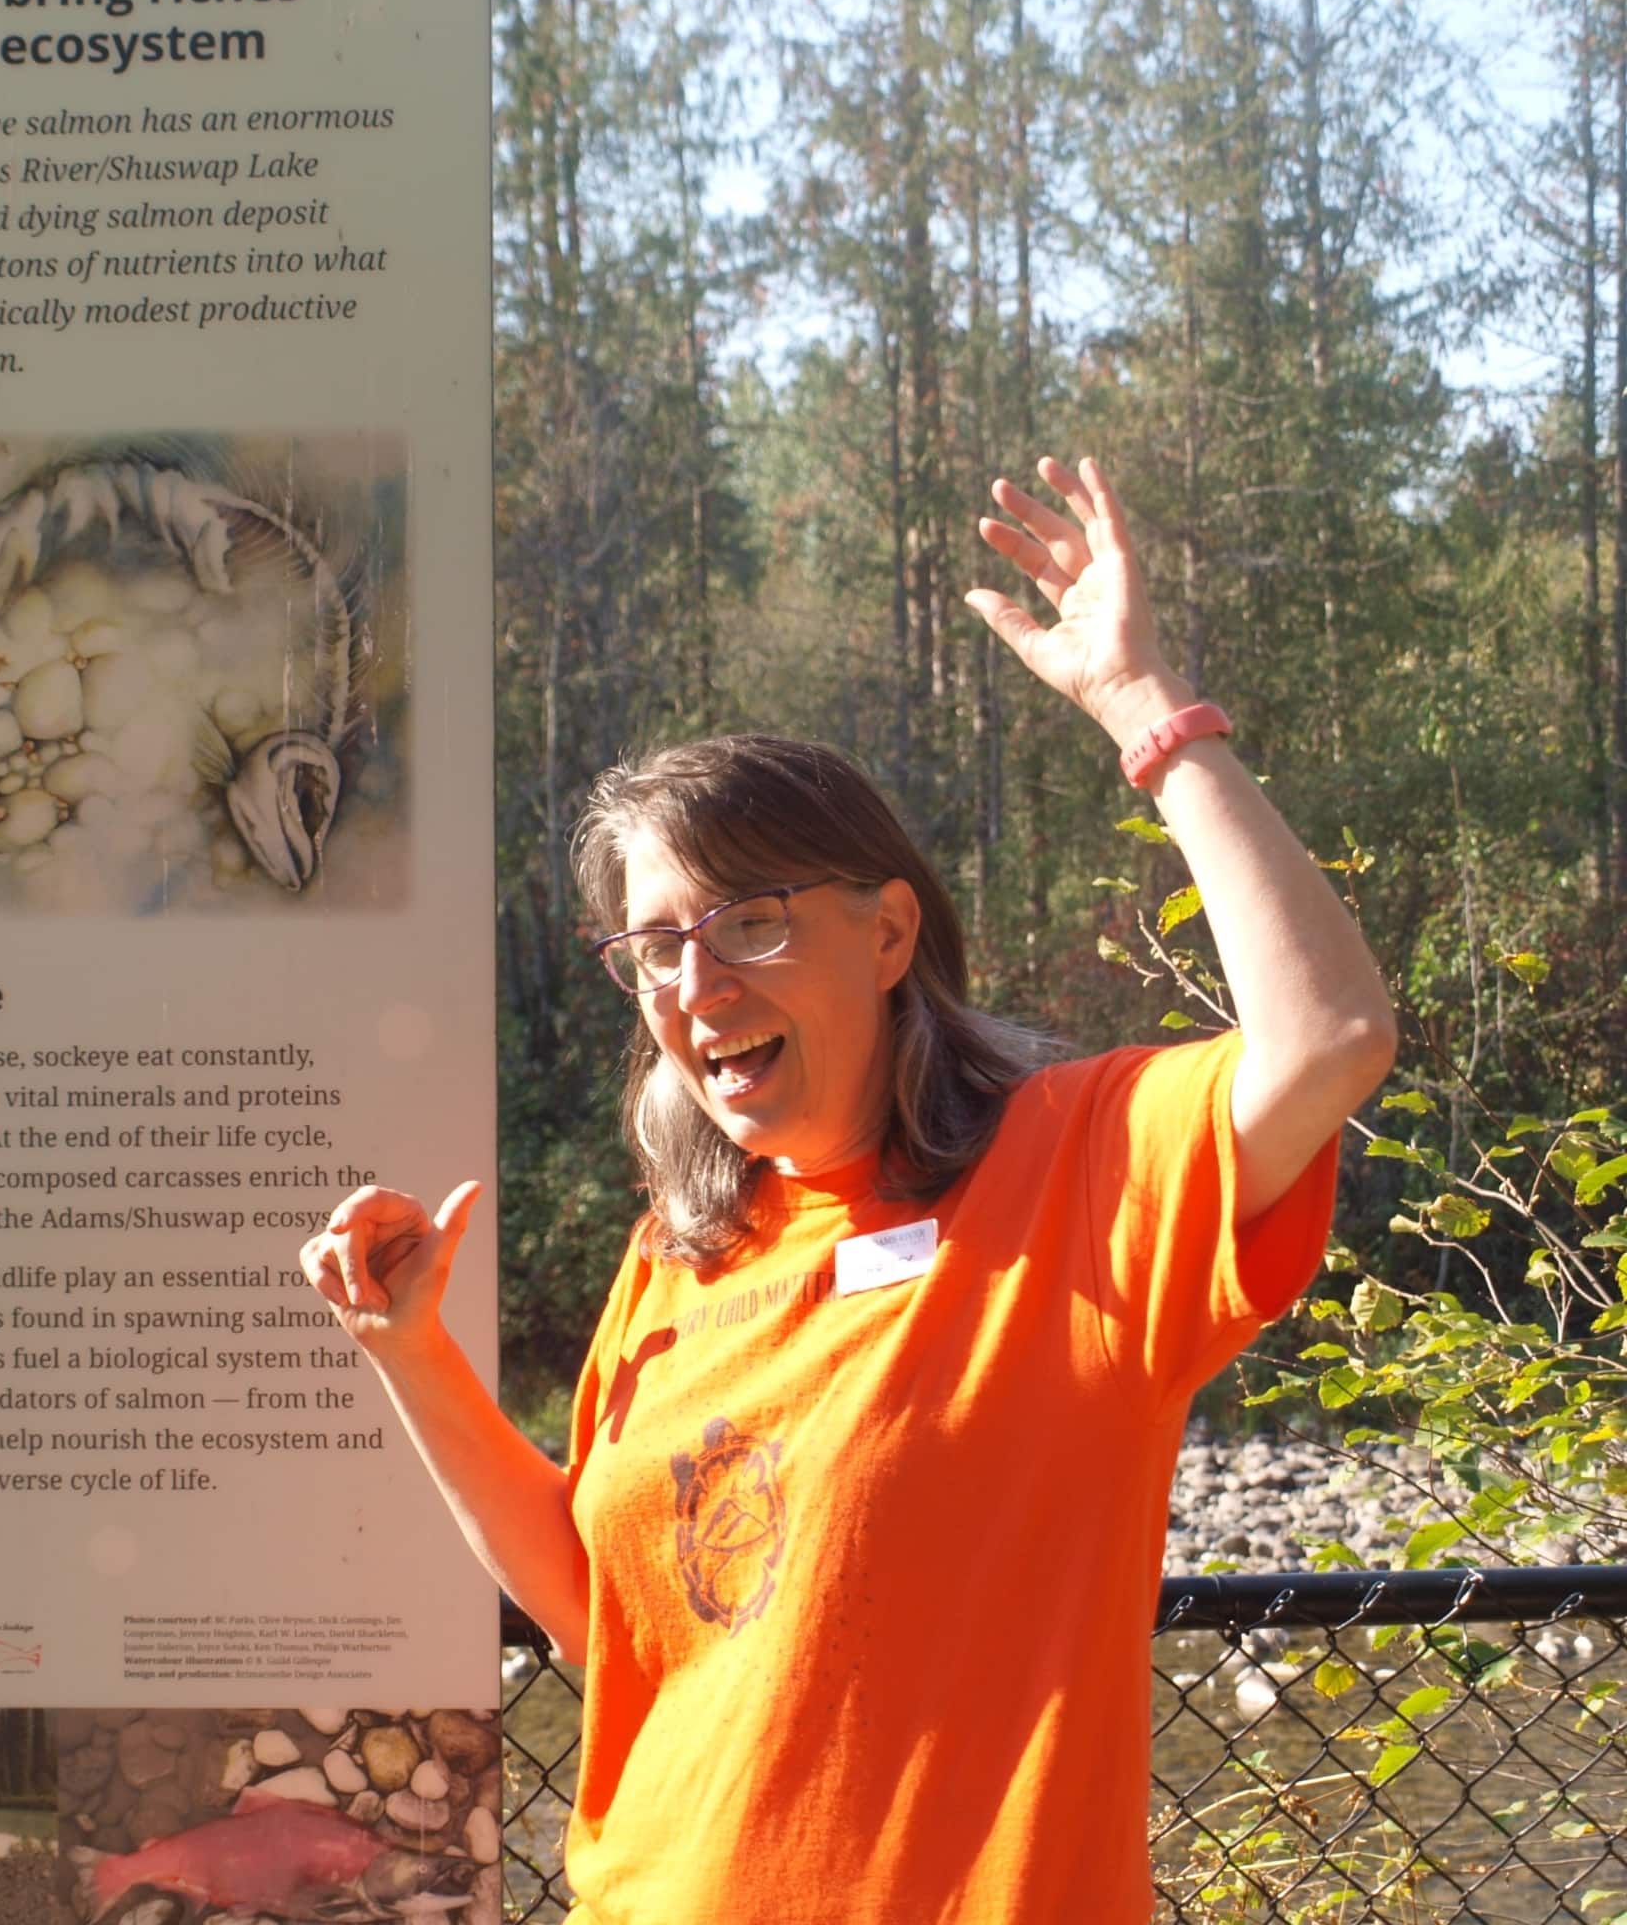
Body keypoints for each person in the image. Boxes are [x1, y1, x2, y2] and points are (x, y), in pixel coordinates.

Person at [298, 457, 1396, 1924]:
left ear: (888, 937)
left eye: (749, 924)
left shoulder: (1076, 1168)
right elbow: (600, 1617)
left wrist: (1145, 710)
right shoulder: (678, 1260)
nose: (696, 987)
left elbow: (1328, 1036)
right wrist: (413, 1358)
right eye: (656, 947)